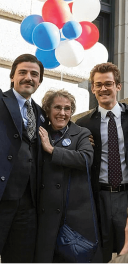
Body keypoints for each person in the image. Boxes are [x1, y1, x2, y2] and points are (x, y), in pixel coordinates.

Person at [76, 62, 128, 263]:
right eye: (98, 85)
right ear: (92, 88)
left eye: (108, 84)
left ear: (118, 86)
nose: (103, 89)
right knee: (98, 253)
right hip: (97, 197)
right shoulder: (83, 125)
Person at [33, 89, 102, 264]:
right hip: (43, 215)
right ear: (48, 110)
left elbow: (86, 159)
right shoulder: (38, 133)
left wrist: (52, 150)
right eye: (57, 107)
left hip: (74, 216)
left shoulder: (81, 133)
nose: (62, 113)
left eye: (67, 108)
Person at [0, 54, 48, 264]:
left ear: (39, 81)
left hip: (29, 203)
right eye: (23, 72)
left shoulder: (41, 113)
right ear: (12, 77)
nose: (28, 77)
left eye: (34, 74)